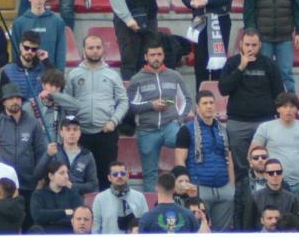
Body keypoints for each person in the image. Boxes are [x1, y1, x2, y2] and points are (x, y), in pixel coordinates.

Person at [219, 29, 285, 183]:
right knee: (240, 166)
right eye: (247, 45)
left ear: (260, 45)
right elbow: (223, 89)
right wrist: (240, 68)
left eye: (254, 45)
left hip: (265, 122)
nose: (250, 48)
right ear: (241, 44)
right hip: (237, 122)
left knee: (266, 163)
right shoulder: (232, 63)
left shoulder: (270, 64)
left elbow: (279, 94)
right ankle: (243, 194)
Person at [129, 41, 194, 192]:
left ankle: (186, 191)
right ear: (146, 57)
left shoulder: (174, 76)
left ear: (163, 55)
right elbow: (131, 105)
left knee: (188, 144)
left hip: (170, 125)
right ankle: (152, 207)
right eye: (152, 55)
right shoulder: (137, 79)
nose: (156, 58)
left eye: (159, 54)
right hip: (147, 130)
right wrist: (151, 105)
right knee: (150, 174)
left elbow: (186, 100)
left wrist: (179, 119)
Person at [67, 33, 129, 187]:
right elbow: (67, 103)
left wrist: (113, 122)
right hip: (82, 135)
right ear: (83, 50)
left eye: (98, 47)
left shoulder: (112, 75)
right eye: (91, 48)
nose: (94, 51)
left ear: (103, 50)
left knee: (106, 179)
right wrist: (73, 124)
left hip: (106, 134)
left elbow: (123, 101)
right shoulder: (74, 74)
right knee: (80, 177)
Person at [174, 89, 235, 231]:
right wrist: (188, 187)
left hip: (224, 187)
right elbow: (179, 160)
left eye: (211, 103)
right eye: (205, 103)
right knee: (198, 230)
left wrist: (231, 187)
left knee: (223, 236)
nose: (209, 106)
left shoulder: (224, 130)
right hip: (200, 187)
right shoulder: (186, 130)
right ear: (197, 107)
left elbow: (229, 159)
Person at [243, 0, 299, 93]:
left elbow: (297, 7)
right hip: (262, 38)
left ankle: (290, 106)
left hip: (285, 37)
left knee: (286, 74)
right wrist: (251, 33)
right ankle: (264, 106)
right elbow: (249, 8)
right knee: (263, 74)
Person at [0, 84, 45, 216]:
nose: (15, 101)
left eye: (18, 98)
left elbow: (40, 152)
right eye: (11, 98)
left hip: (29, 185)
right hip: (3, 185)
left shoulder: (33, 123)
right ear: (3, 101)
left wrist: (40, 179)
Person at [181, 0, 236, 92]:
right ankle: (201, 103)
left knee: (218, 66)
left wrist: (207, 0)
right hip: (199, 21)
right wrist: (191, 1)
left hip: (220, 21)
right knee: (200, 66)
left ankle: (218, 102)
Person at [251, 92, 299, 190]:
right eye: (284, 106)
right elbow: (253, 154)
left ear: (297, 109)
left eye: (292, 106)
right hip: (273, 185)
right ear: (278, 108)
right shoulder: (265, 128)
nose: (288, 110)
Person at [109, 0, 162, 81]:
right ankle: (132, 97)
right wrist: (127, 18)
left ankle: (149, 95)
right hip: (128, 17)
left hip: (150, 16)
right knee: (129, 62)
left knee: (149, 61)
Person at [36, 116, 98, 198]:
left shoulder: (87, 155)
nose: (72, 133)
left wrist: (73, 186)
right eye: (68, 129)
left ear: (80, 133)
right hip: (54, 197)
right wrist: (48, 154)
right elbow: (37, 174)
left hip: (76, 200)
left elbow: (93, 185)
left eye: (75, 129)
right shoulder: (53, 151)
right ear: (61, 132)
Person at [11, 0, 68, 65]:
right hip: (27, 72)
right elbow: (15, 51)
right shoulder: (19, 23)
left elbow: (61, 52)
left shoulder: (57, 22)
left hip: (49, 72)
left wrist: (59, 74)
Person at [241, 158, 299, 231]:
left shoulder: (292, 198)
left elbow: (296, 226)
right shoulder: (254, 197)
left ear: (282, 174)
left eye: (278, 172)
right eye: (271, 173)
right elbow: (248, 226)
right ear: (265, 175)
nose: (275, 175)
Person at [91, 161, 148, 233]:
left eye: (123, 173)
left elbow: (145, 225)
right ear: (109, 178)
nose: (119, 176)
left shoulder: (140, 197)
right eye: (115, 174)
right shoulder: (100, 199)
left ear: (127, 175)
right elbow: (96, 227)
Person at [30, 160, 83, 233]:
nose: (66, 176)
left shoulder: (72, 193)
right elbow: (38, 216)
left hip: (68, 232)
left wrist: (50, 216)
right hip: (45, 233)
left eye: (67, 173)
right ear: (51, 176)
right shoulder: (38, 195)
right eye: (62, 173)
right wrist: (65, 212)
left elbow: (78, 214)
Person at [1, 30, 51, 103]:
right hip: (17, 111)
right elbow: (2, 97)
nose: (30, 51)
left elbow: (57, 83)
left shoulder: (43, 68)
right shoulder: (7, 70)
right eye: (26, 48)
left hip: (38, 111)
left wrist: (46, 61)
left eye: (34, 49)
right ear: (20, 46)